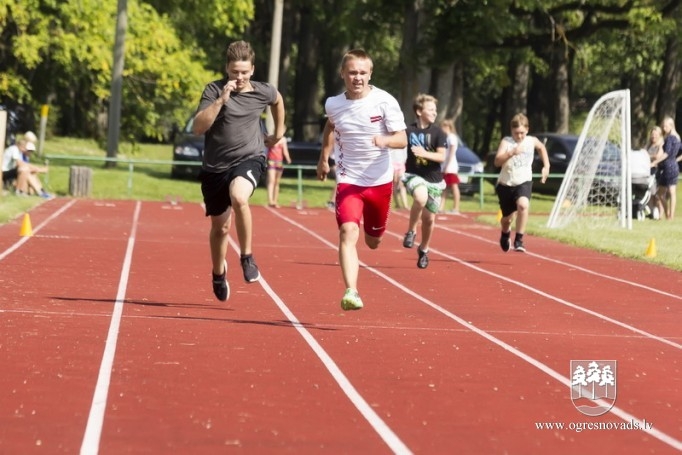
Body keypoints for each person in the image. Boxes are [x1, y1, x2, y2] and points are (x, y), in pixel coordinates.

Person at [192, 40, 286, 302]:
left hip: (250, 157)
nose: (240, 77)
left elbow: (277, 100)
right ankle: (218, 272)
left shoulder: (262, 91)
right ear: (227, 69)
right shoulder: (213, 90)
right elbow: (198, 128)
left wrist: (278, 133)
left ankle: (247, 257)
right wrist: (222, 99)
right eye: (235, 72)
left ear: (253, 70)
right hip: (215, 167)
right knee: (220, 228)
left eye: (244, 72)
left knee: (240, 197)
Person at [316, 48, 407, 311]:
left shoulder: (385, 101)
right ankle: (351, 291)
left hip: (379, 181)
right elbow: (330, 126)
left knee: (373, 241)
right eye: (352, 72)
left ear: (370, 74)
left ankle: (374, 233)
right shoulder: (333, 104)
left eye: (362, 73)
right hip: (349, 179)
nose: (357, 78)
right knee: (347, 231)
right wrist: (324, 158)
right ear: (343, 73)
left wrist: (386, 140)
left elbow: (402, 138)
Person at [401, 94, 447, 269]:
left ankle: (424, 249)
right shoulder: (408, 131)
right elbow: (395, 144)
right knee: (420, 198)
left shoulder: (438, 133)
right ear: (419, 111)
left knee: (429, 220)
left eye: (436, 110)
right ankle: (411, 231)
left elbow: (441, 156)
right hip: (414, 175)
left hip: (434, 180)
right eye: (431, 109)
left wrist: (424, 153)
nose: (435, 112)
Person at [493, 113, 549, 252]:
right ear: (511, 131)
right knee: (507, 219)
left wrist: (546, 166)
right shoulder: (506, 142)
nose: (519, 136)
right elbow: (497, 162)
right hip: (506, 184)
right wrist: (511, 153)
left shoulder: (531, 141)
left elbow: (541, 148)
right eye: (516, 133)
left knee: (523, 205)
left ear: (527, 130)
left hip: (523, 181)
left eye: (522, 133)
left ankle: (519, 240)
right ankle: (505, 234)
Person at [651, 116, 680, 220]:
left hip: (667, 167)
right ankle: (670, 216)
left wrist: (655, 161)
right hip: (675, 166)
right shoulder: (677, 137)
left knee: (660, 194)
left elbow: (666, 153)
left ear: (671, 126)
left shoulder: (669, 138)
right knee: (672, 192)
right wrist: (675, 160)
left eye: (665, 126)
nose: (664, 128)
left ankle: (667, 214)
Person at [439, 118, 461, 214]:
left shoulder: (452, 137)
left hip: (451, 166)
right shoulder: (446, 137)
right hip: (445, 165)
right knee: (444, 187)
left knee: (454, 186)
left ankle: (456, 208)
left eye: (443, 126)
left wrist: (447, 165)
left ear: (447, 127)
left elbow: (451, 152)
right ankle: (441, 206)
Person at [265, 136, 291, 208]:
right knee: (271, 181)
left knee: (277, 182)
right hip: (271, 161)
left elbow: (285, 150)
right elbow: (266, 147)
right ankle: (270, 201)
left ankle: (275, 201)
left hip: (279, 162)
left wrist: (288, 158)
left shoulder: (283, 140)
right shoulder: (271, 137)